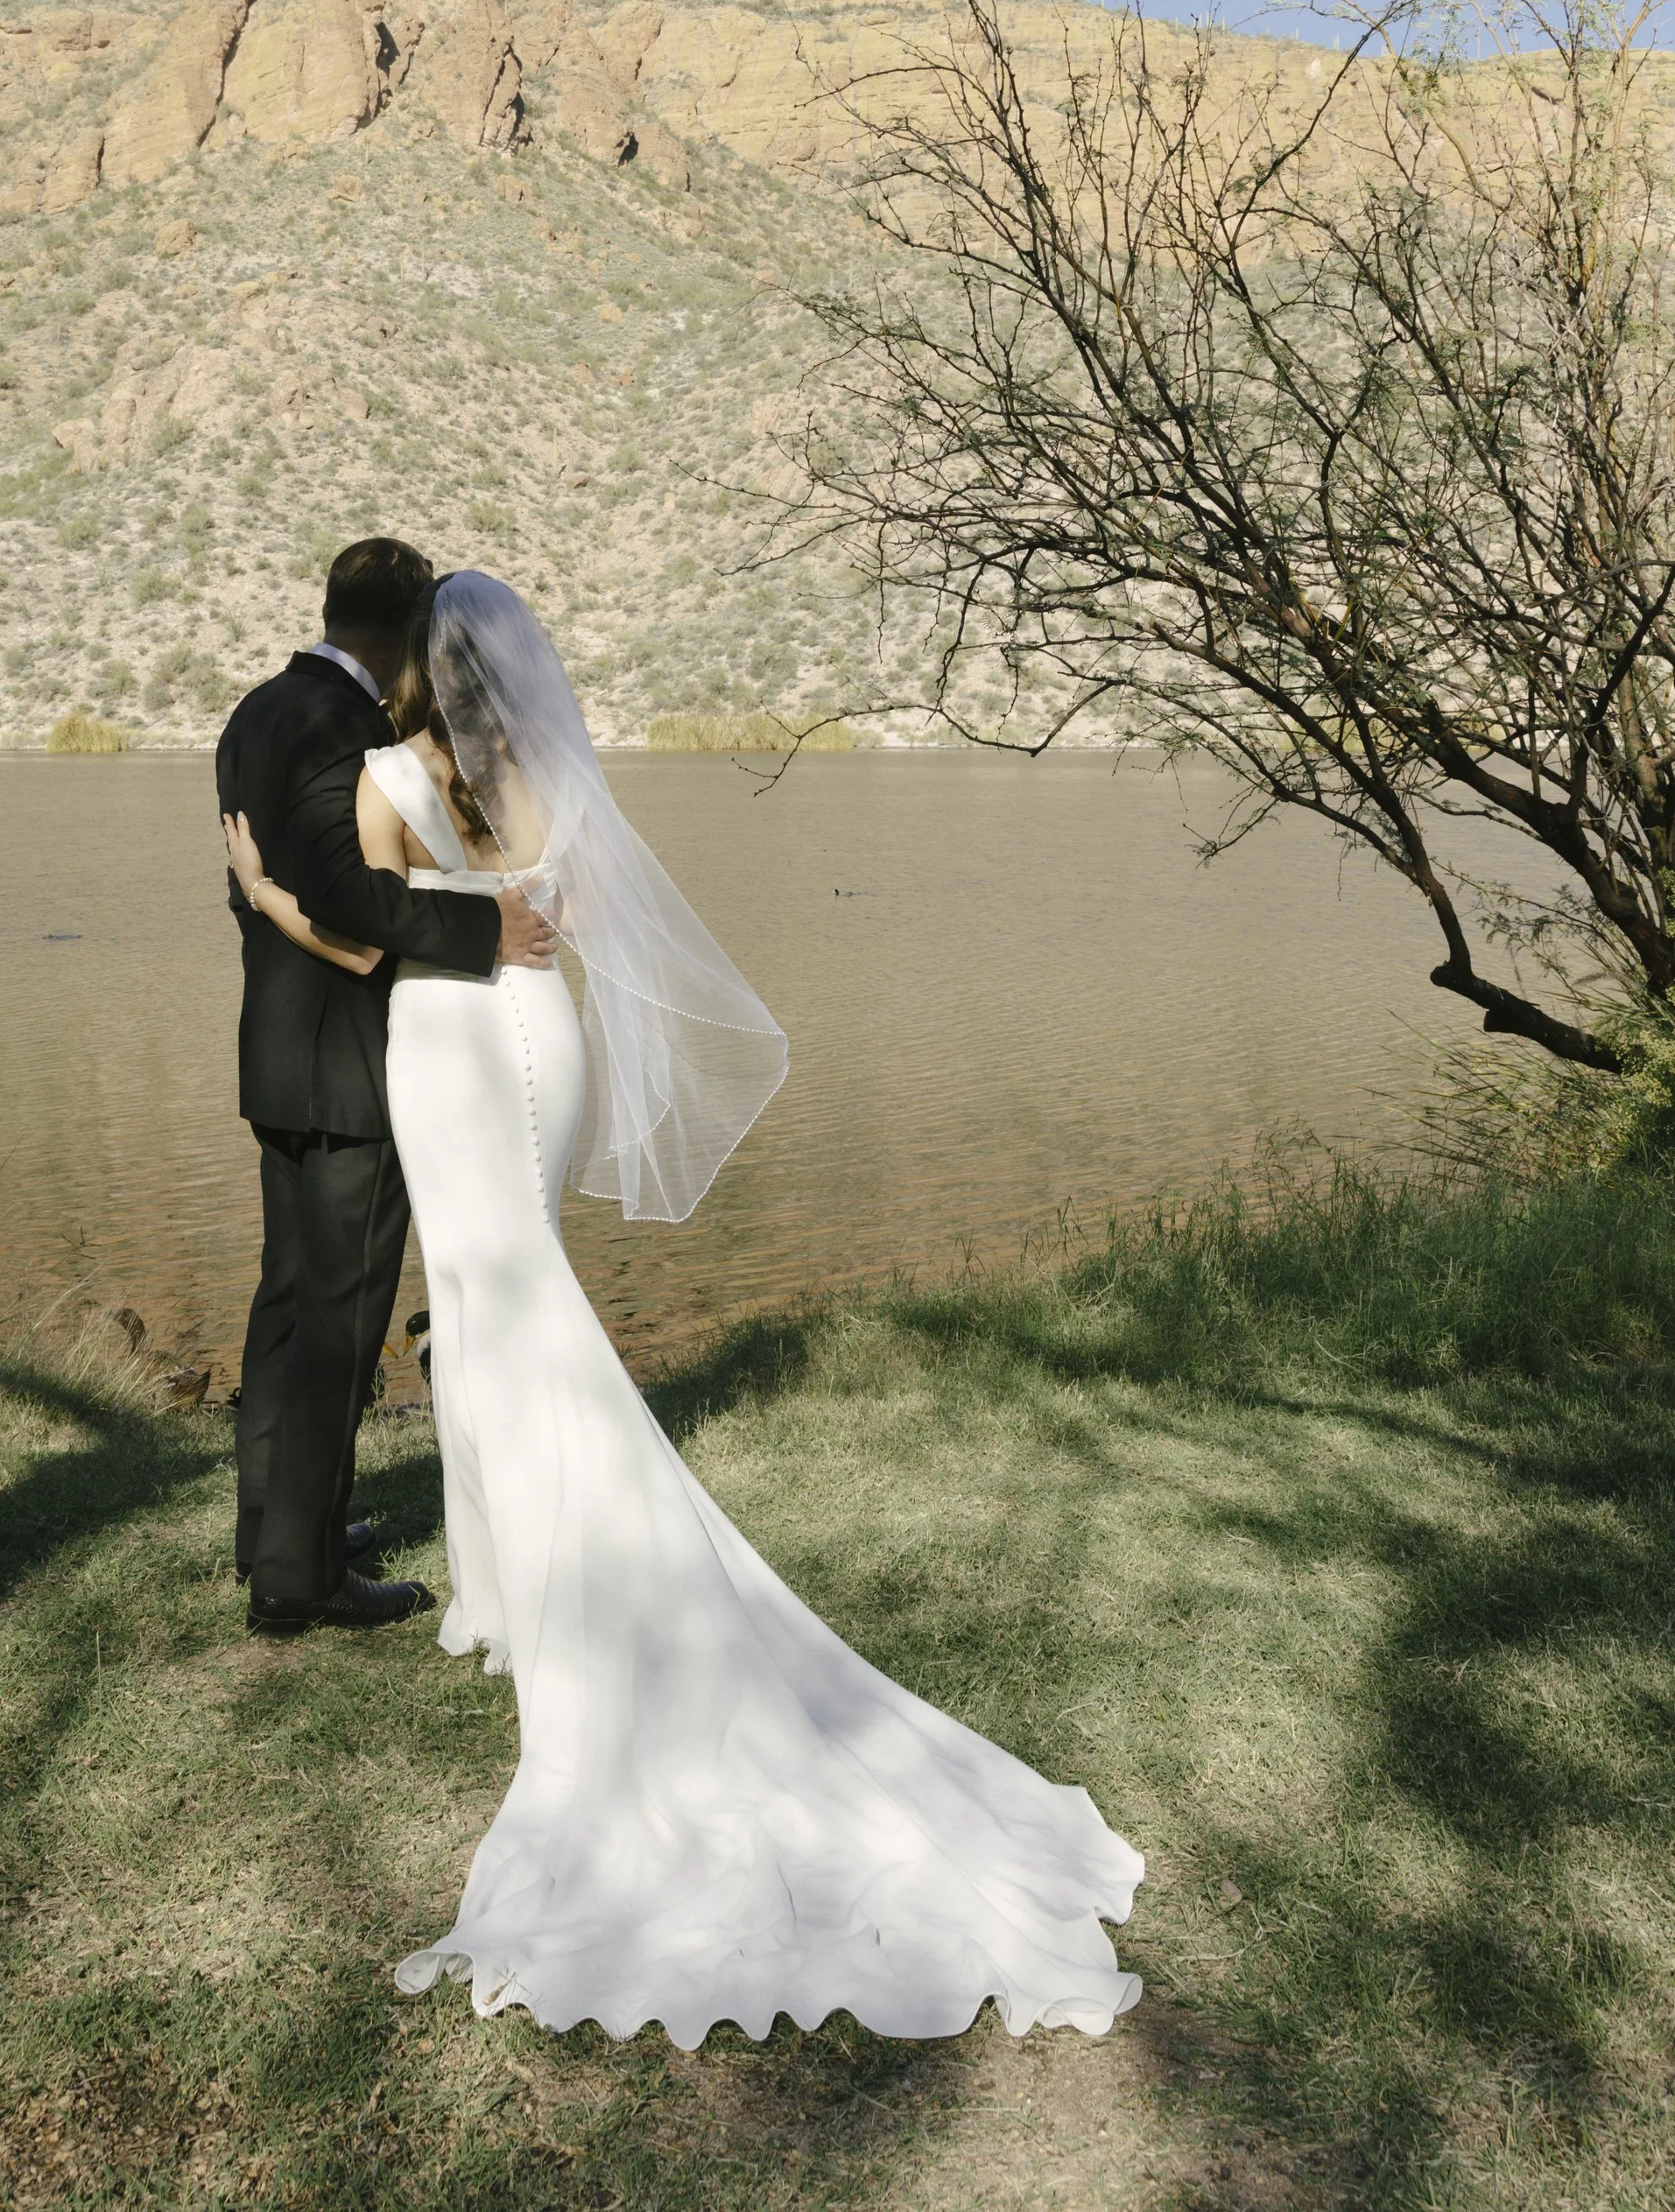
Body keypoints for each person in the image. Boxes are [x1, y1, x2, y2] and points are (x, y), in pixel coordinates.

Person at [222, 568, 1144, 2053]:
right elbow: (558, 914)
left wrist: (266, 888)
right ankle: (507, 1586)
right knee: (511, 1295)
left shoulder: (388, 776)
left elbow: (362, 930)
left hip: (447, 1050)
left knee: (485, 1299)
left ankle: (530, 1584)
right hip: (542, 1036)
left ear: (413, 666)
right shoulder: (547, 784)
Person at [214, 537, 557, 1637]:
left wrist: (263, 903)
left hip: (278, 1050)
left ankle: (275, 1522)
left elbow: (276, 879)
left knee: (286, 1300)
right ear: (408, 628)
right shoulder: (336, 726)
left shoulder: (255, 711)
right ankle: (299, 1575)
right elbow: (356, 906)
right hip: (346, 1064)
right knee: (342, 1316)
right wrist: (481, 922)